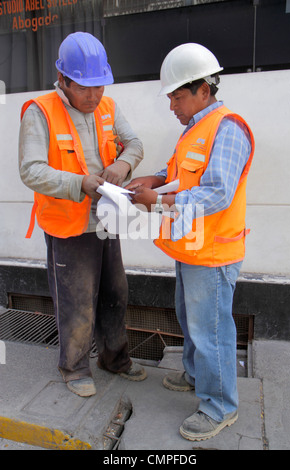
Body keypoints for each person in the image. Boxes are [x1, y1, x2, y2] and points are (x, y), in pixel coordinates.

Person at [127, 43, 255, 441]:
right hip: (192, 248)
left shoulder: (228, 128)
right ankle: (198, 375)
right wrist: (154, 179)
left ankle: (219, 407)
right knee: (191, 320)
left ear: (204, 89)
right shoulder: (195, 129)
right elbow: (183, 173)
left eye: (177, 97)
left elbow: (217, 191)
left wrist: (161, 201)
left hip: (213, 252)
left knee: (211, 329)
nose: (172, 106)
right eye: (171, 97)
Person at [19, 32, 146, 397]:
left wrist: (123, 165)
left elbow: (134, 143)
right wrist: (82, 183)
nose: (94, 96)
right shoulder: (39, 112)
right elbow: (31, 170)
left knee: (114, 291)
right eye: (84, 88)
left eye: (99, 87)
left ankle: (114, 359)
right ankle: (73, 368)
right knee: (77, 299)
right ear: (63, 80)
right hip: (68, 224)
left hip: (106, 218)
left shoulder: (108, 107)